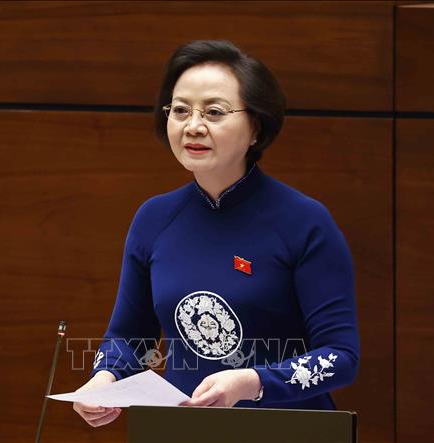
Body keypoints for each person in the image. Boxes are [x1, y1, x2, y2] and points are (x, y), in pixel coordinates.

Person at [73, 40, 360, 428]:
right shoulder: (154, 219)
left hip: (288, 430)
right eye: (180, 110)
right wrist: (104, 380)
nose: (193, 126)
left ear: (256, 127)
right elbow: (129, 338)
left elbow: (341, 357)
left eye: (214, 112)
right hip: (184, 429)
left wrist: (252, 382)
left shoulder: (304, 222)